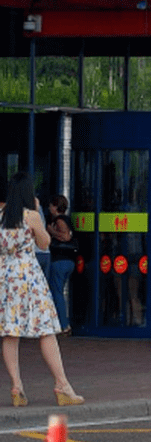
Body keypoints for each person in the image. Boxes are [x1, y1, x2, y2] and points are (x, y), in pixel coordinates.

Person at [2, 173, 83, 407]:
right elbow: (44, 243)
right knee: (46, 331)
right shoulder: (30, 216)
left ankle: (17, 387)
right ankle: (62, 385)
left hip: (6, 279)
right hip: (29, 278)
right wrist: (37, 212)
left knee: (10, 333)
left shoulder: (1, 217)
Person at [45, 195, 76, 332]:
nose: (49, 208)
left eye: (51, 205)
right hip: (69, 261)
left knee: (56, 292)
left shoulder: (60, 220)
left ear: (56, 207)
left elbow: (66, 237)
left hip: (60, 260)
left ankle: (64, 325)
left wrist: (51, 232)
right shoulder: (68, 220)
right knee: (57, 291)